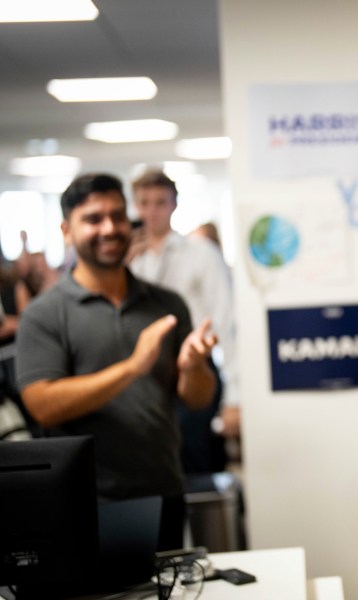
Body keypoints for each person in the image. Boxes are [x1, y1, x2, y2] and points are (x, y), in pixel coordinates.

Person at [15, 173, 218, 550]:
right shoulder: (45, 314)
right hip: (85, 501)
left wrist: (194, 368)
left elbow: (197, 399)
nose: (109, 228)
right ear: (66, 229)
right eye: (93, 219)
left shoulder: (166, 303)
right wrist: (131, 368)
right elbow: (42, 405)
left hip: (162, 490)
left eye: (117, 216)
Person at [128, 170, 239, 473]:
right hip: (144, 375)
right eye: (144, 203)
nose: (152, 211)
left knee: (193, 461)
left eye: (160, 202)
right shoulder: (128, 262)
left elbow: (226, 322)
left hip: (195, 367)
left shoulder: (200, 253)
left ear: (173, 205)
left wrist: (234, 396)